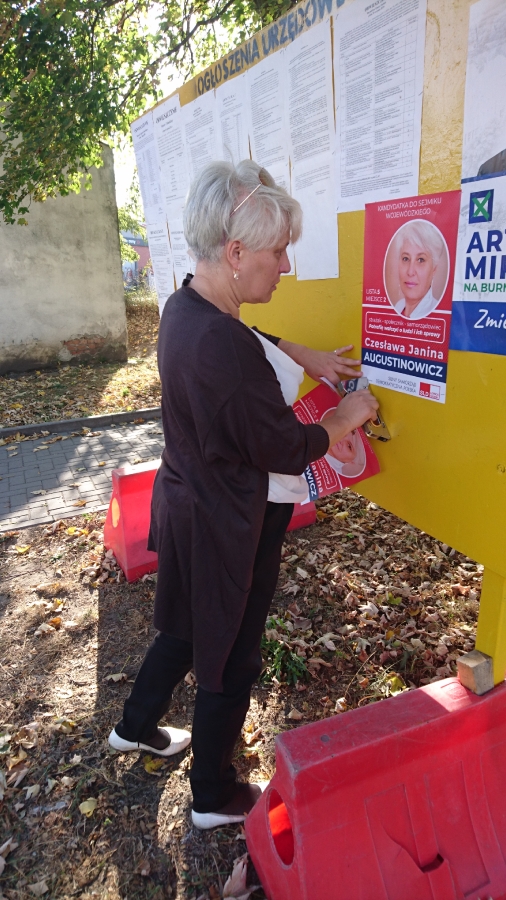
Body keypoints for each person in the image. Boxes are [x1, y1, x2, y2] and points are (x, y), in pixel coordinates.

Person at [108, 160, 378, 829]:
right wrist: (344, 417)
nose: (285, 266)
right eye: (277, 251)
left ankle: (134, 727)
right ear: (234, 253)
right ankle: (213, 795)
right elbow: (285, 446)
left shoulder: (186, 306)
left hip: (188, 501)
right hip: (229, 521)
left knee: (183, 627)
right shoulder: (221, 345)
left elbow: (241, 335)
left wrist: (300, 352)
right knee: (231, 653)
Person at [389, 221, 446, 320]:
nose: (410, 272)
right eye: (406, 258)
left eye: (421, 260)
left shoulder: (437, 313)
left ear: (434, 268)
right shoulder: (398, 306)